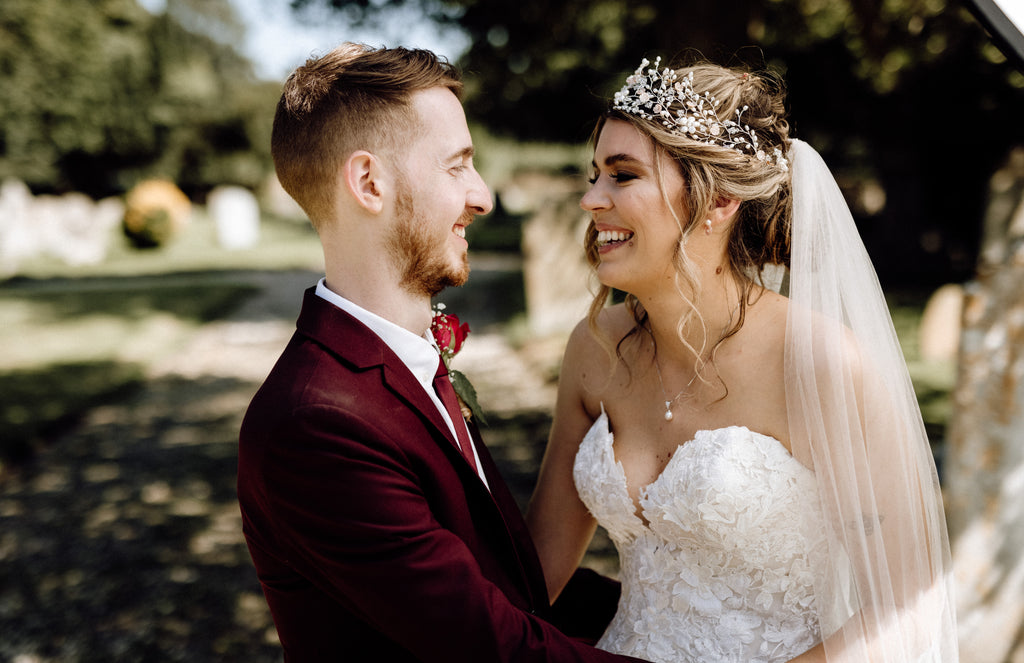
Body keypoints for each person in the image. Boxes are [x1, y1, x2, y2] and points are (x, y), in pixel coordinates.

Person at [526, 56, 959, 663]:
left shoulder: (817, 360)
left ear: (720, 199)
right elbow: (532, 576)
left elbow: (909, 604)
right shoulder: (594, 347)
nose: (591, 200)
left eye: (622, 176)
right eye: (594, 174)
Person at [236, 43, 649, 662]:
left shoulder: (403, 362)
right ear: (369, 183)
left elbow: (498, 581)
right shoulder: (315, 422)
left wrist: (675, 617)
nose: (482, 197)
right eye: (457, 166)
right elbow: (494, 646)